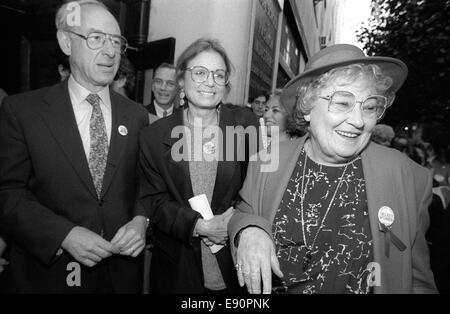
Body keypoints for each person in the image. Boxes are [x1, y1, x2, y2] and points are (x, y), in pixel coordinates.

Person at [228, 44, 437, 294]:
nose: (358, 121)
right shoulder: (267, 160)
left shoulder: (408, 177)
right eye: (342, 103)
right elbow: (244, 210)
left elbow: (417, 279)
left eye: (369, 107)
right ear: (307, 108)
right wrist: (249, 229)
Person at [0, 0, 149, 293]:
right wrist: (63, 234)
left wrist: (141, 221)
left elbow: (146, 185)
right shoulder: (22, 112)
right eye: (96, 38)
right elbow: (7, 193)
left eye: (116, 41)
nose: (109, 52)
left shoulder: (137, 116)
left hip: (120, 277)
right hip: (49, 276)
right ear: (66, 42)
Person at [137, 37, 258, 293]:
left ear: (226, 84)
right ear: (181, 80)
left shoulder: (245, 126)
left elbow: (257, 188)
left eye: (218, 74)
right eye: (200, 72)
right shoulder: (154, 136)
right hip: (178, 267)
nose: (210, 82)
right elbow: (152, 200)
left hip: (235, 265)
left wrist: (239, 220)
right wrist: (198, 226)